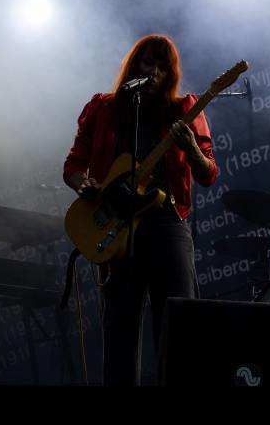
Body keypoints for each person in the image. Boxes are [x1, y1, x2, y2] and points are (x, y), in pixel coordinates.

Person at [62, 34, 218, 385]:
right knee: (118, 326)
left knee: (178, 320)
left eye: (165, 68)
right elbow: (74, 163)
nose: (156, 73)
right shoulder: (102, 107)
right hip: (117, 223)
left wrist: (191, 146)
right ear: (135, 64)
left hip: (166, 221)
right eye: (149, 63)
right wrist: (81, 184)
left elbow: (208, 173)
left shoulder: (185, 108)